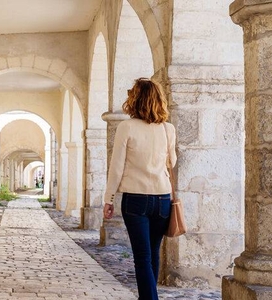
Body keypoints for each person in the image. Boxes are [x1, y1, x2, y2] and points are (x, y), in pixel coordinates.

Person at [103, 78, 177, 300]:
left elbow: (116, 167)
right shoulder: (168, 128)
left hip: (135, 199)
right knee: (153, 253)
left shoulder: (126, 127)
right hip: (162, 198)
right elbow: (171, 162)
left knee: (142, 256)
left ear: (135, 100)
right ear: (159, 100)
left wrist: (109, 199)